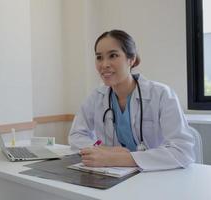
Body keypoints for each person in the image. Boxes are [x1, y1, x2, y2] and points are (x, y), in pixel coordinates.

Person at [69, 30, 195, 171]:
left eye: (113, 55)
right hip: (112, 175)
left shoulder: (161, 95)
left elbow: (183, 151)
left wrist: (117, 158)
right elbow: (76, 135)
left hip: (156, 175)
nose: (104, 64)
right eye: (99, 57)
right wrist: (104, 150)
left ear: (131, 59)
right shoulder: (96, 97)